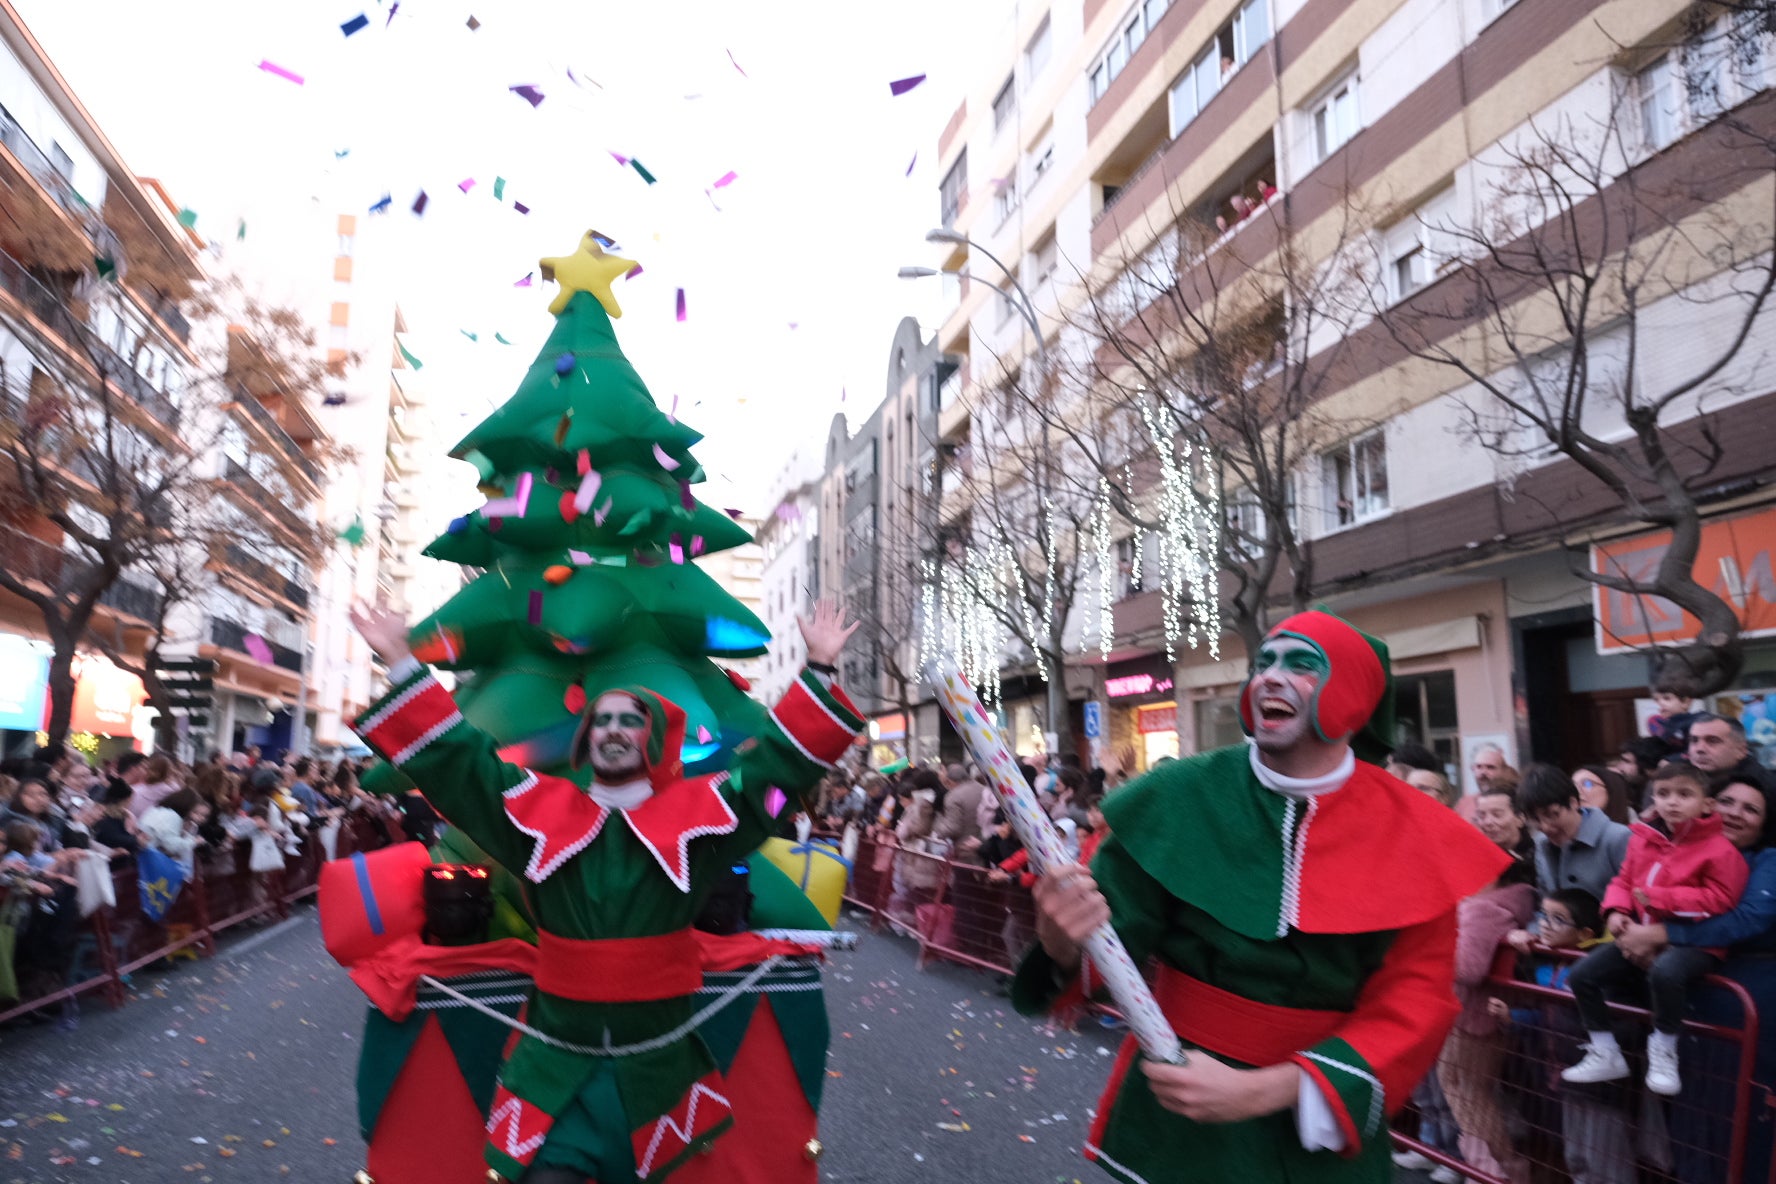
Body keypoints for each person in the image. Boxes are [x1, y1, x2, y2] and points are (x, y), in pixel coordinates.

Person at [346, 598, 864, 1183]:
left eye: (629, 720)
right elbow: (459, 763)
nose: (614, 729)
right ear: (586, 742)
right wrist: (397, 660)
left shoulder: (704, 823)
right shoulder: (531, 813)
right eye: (603, 721)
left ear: (651, 740)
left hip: (661, 1074)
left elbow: (775, 772)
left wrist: (818, 670)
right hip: (555, 1075)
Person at [1018, 611, 1508, 1183]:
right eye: (1263, 664)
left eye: (1301, 666)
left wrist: (1266, 1089)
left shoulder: (1418, 835)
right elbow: (1107, 943)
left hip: (1317, 1129)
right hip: (1178, 1114)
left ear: (1351, 696)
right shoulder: (1177, 797)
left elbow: (1414, 1005)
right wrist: (1060, 941)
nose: (1270, 677)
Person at [1615, 773, 1776, 1181]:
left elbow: (1748, 920)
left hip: (1751, 1005)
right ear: (1708, 804)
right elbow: (1635, 889)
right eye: (1728, 801)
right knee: (1694, 1113)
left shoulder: (1768, 860)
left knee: (1743, 1116)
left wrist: (1662, 934)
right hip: (1694, 1002)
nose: (1736, 813)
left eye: (1750, 808)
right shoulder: (1684, 851)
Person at [1563, 761, 1750, 1095]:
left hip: (1694, 945)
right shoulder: (1643, 838)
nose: (1672, 802)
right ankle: (1605, 1050)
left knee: (1665, 973)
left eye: (1684, 794)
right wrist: (1617, 910)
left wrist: (1656, 899)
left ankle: (1663, 1048)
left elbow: (1720, 899)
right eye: (1663, 794)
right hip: (1638, 933)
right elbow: (1623, 880)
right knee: (1581, 975)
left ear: (1707, 804)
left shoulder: (1721, 849)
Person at [1437, 830, 1538, 1184]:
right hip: (1477, 1011)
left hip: (1476, 1013)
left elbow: (1469, 968)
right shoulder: (1506, 901)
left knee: (1471, 1093)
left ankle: (1496, 1173)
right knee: (1460, 1085)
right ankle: (1490, 1170)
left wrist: (1431, 948)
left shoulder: (1484, 906)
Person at [1517, 764, 1631, 902]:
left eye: (1552, 815)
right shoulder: (1542, 844)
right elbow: (1544, 899)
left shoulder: (1617, 837)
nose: (1545, 827)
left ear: (1573, 802)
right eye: (1535, 820)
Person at [932, 762, 987, 861]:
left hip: (964, 849)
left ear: (949, 781)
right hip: (986, 846)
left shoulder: (953, 796)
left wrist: (937, 829)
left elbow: (952, 828)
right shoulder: (983, 789)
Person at [1687, 713, 1762, 784]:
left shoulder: (1763, 790)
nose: (1699, 749)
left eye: (1712, 741)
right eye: (1694, 740)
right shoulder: (1681, 777)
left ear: (1741, 751)